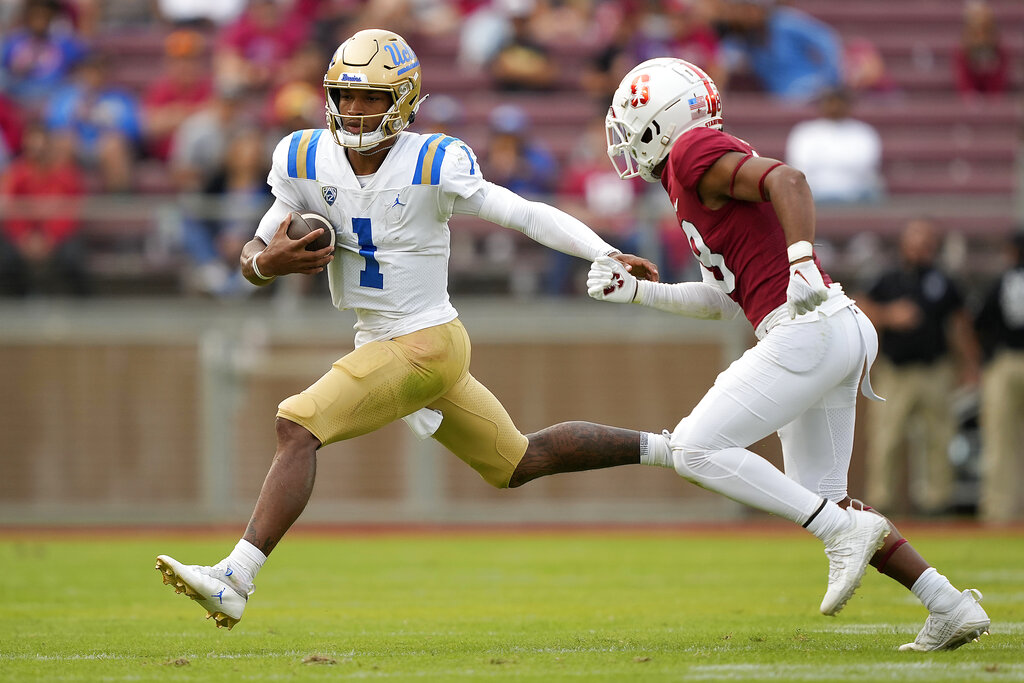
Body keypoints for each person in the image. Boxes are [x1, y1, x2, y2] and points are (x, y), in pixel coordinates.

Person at [154, 28, 663, 630]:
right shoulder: (301, 156)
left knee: (297, 424)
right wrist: (266, 263)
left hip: (426, 341)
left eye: (370, 97)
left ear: (403, 99)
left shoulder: (433, 161)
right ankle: (668, 448)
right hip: (384, 341)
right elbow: (254, 253)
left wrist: (603, 250)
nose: (354, 109)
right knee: (517, 461)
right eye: (345, 95)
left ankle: (235, 578)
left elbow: (524, 214)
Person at [590, 57, 989, 651]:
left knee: (696, 449)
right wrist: (640, 292)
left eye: (629, 123)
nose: (624, 141)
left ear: (658, 120)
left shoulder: (689, 150)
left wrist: (801, 257)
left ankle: (842, 534)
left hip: (807, 326)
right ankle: (948, 604)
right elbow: (728, 301)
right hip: (828, 326)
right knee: (828, 502)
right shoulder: (692, 175)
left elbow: (791, 180)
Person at [858, 218, 981, 516]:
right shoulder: (887, 278)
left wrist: (969, 365)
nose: (921, 247)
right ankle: (882, 502)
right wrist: (889, 315)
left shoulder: (943, 280)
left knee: (938, 438)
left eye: (927, 241)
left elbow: (960, 322)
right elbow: (858, 306)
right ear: (904, 244)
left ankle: (936, 503)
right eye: (916, 240)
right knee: (886, 439)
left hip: (934, 371)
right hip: (895, 372)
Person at [972, 232, 1024, 524]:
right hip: (1004, 361)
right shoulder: (1002, 281)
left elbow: (980, 322)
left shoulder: (1003, 281)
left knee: (1002, 440)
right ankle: (1001, 509)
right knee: (1001, 438)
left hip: (1005, 361)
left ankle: (1000, 509)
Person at [715, 0, 842, 101]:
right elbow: (725, 60)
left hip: (811, 90)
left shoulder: (785, 21)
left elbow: (825, 39)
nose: (744, 15)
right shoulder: (741, 38)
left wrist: (830, 80)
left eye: (748, 8)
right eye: (739, 11)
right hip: (782, 98)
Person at [784, 88, 884, 205]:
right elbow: (799, 165)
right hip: (815, 192)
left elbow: (866, 165)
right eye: (830, 102)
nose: (835, 107)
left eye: (839, 103)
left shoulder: (864, 132)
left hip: (857, 192)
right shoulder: (805, 132)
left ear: (848, 105)